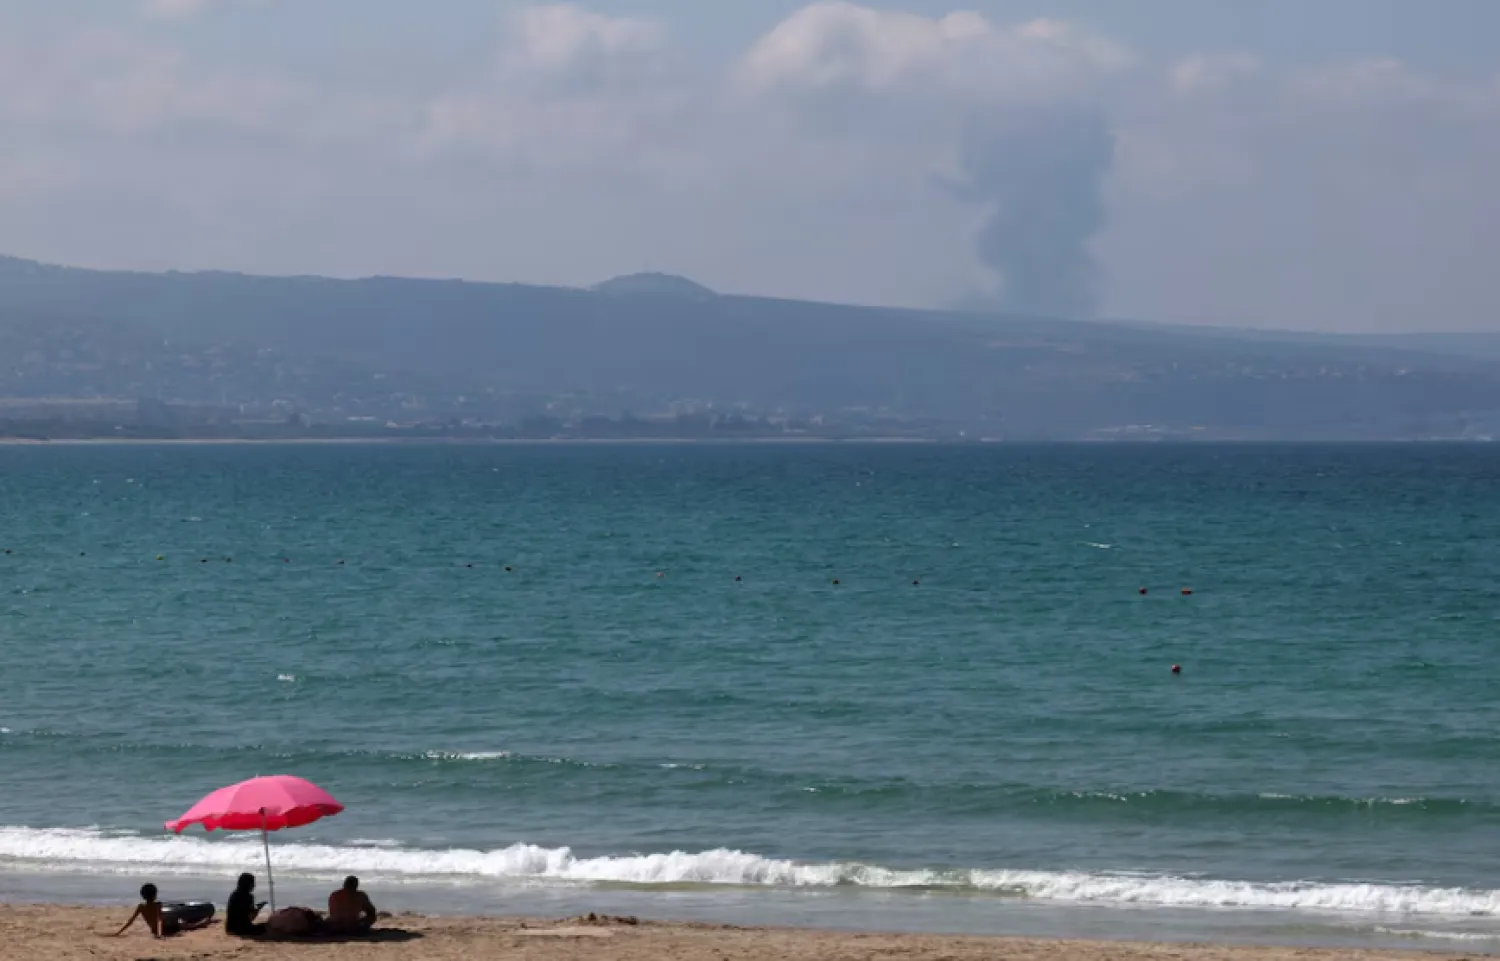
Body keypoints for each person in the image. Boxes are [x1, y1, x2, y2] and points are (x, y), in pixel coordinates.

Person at [225, 873, 267, 937]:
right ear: (248, 884)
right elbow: (251, 917)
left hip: (230, 928)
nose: (254, 885)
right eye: (253, 883)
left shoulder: (234, 894)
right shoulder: (249, 897)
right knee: (268, 926)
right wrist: (258, 908)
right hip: (242, 929)